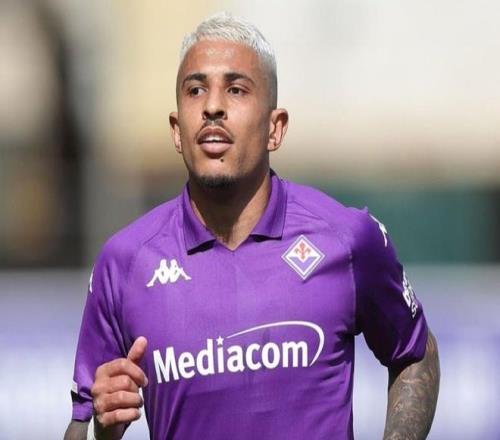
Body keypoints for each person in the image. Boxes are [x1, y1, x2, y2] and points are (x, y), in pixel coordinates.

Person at [64, 12, 440, 440]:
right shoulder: (125, 262)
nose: (212, 106)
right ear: (176, 130)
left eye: (236, 89)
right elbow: (81, 423)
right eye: (195, 89)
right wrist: (103, 429)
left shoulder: (347, 238)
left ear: (275, 129)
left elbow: (415, 353)